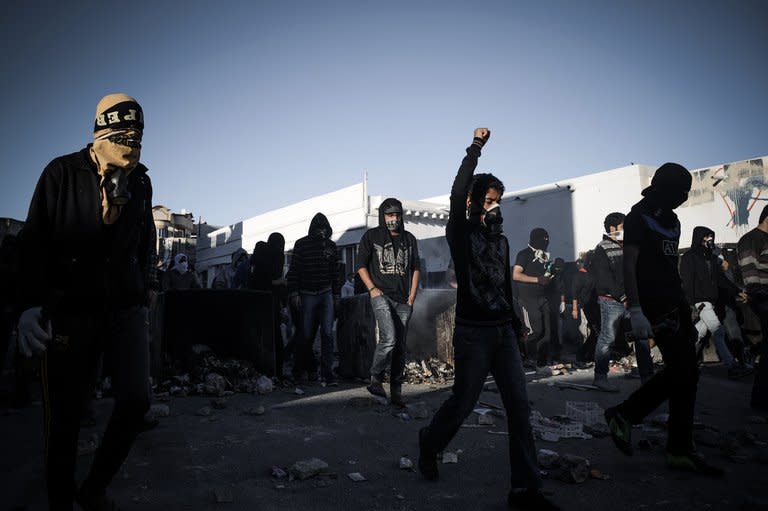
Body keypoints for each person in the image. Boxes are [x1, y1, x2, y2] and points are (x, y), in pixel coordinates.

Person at [16, 93, 157, 510]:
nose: (131, 143)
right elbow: (34, 242)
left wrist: (147, 281)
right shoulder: (62, 173)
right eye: (122, 133)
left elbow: (146, 237)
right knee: (65, 418)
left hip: (125, 307)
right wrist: (28, 305)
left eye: (138, 135)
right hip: (71, 311)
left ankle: (93, 489)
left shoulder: (141, 180)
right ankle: (61, 501)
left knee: (136, 401)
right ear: (101, 130)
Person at [418, 129, 558, 510]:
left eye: (498, 202)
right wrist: (476, 148)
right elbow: (457, 190)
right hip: (473, 335)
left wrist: (516, 322)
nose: (494, 208)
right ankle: (429, 443)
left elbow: (502, 286)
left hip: (503, 333)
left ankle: (525, 490)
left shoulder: (501, 240)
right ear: (473, 201)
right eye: (488, 201)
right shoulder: (460, 233)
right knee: (463, 403)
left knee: (519, 407)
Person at [604, 162, 722, 476]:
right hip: (653, 305)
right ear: (663, 189)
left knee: (688, 375)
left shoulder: (673, 220)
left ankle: (678, 447)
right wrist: (637, 310)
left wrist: (686, 306)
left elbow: (670, 267)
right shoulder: (638, 217)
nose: (682, 199)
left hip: (676, 303)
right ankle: (625, 415)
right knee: (682, 369)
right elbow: (631, 266)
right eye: (678, 192)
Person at [356, 198, 420, 405]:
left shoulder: (409, 239)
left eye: (397, 215)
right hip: (381, 295)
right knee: (389, 337)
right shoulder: (371, 236)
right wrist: (372, 289)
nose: (394, 219)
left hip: (403, 300)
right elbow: (360, 265)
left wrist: (412, 297)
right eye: (390, 215)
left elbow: (416, 268)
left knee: (400, 346)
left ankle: (396, 391)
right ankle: (375, 378)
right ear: (383, 216)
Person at [680, 227, 752, 379]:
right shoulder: (689, 257)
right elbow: (687, 282)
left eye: (710, 236)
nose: (709, 240)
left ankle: (681, 363)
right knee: (718, 332)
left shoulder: (712, 258)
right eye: (706, 237)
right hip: (701, 303)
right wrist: (691, 304)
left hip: (711, 302)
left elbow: (721, 279)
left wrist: (737, 291)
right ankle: (731, 366)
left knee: (698, 334)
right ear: (699, 238)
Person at [286, 213, 341, 383]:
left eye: (324, 228)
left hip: (325, 293)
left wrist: (336, 295)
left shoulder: (332, 246)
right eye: (318, 228)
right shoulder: (301, 244)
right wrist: (294, 293)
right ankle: (300, 370)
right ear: (312, 229)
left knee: (327, 334)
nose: (321, 232)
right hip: (307, 294)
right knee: (305, 334)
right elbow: (294, 270)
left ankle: (327, 372)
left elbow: (335, 273)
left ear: (328, 229)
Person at [737, 204, 768, 411]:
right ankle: (759, 400)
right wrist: (761, 299)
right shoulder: (751, 240)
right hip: (764, 300)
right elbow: (751, 277)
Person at [513, 228, 553, 371]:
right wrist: (538, 279)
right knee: (534, 331)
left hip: (543, 298)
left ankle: (541, 363)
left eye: (548, 239)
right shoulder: (524, 254)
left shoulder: (544, 256)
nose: (546, 242)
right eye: (544, 239)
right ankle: (524, 357)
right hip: (528, 299)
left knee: (547, 333)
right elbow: (516, 275)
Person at [570, 252, 600, 365]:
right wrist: (575, 309)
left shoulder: (592, 274)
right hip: (587, 306)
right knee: (596, 331)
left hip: (596, 305)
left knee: (596, 331)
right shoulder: (579, 276)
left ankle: (587, 354)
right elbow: (574, 294)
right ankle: (582, 354)